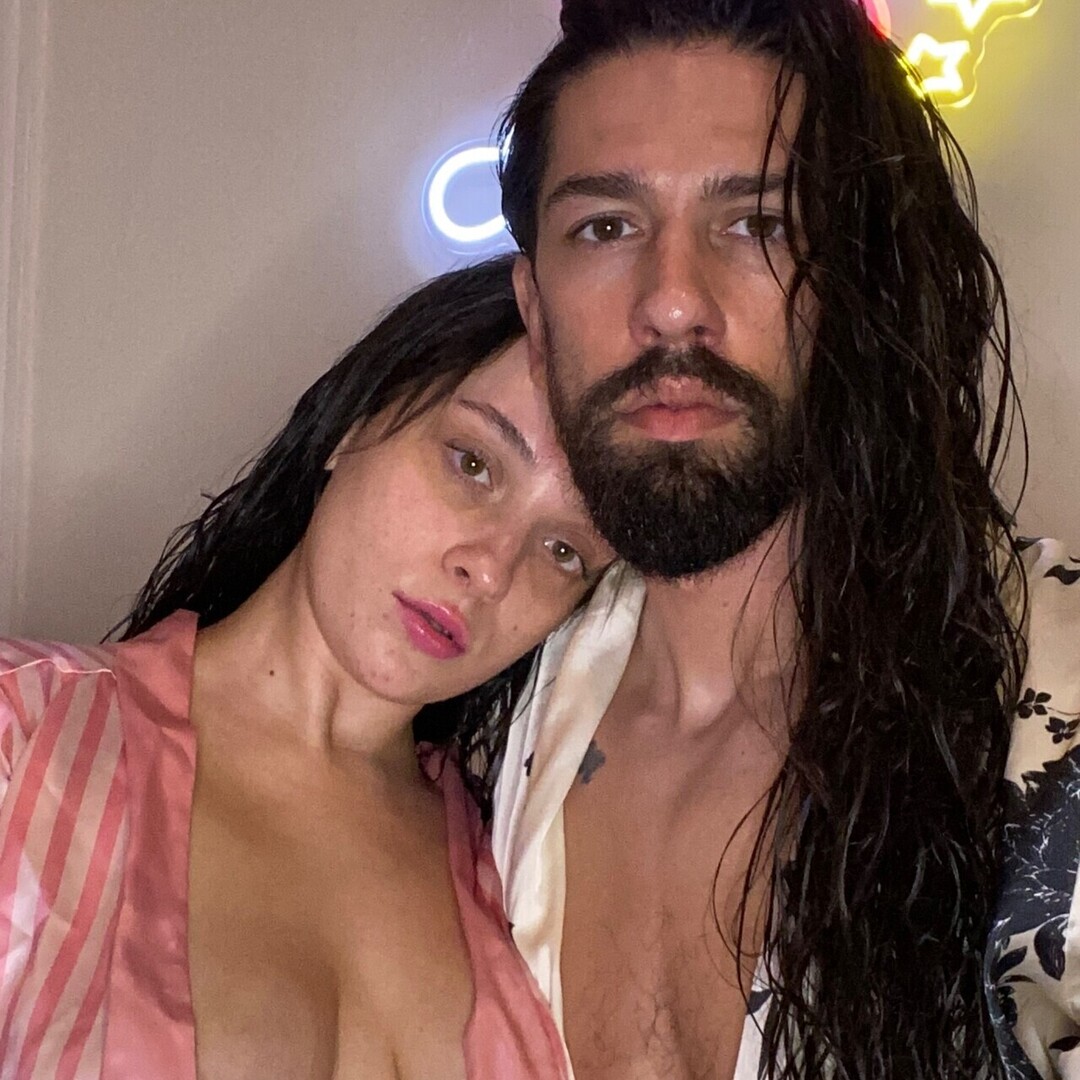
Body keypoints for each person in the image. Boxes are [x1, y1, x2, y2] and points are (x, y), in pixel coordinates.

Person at [488, 1, 1080, 1078]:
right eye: (606, 228)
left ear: (858, 285)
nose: (674, 304)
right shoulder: (480, 717)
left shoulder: (1059, 698)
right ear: (534, 310)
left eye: (758, 224)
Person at [0, 256, 612, 1079]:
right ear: (357, 421)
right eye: (472, 463)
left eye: (564, 550)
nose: (492, 568)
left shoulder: (527, 883)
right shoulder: (22, 733)